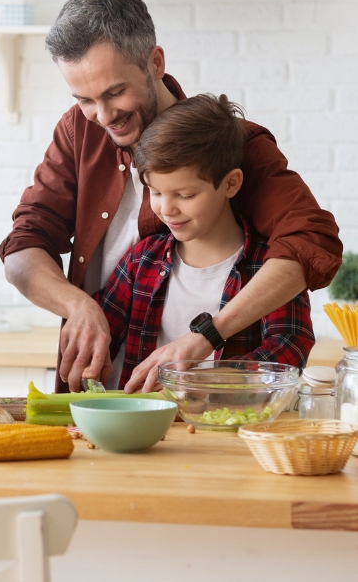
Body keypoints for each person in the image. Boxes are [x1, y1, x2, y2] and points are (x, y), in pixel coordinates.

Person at [0, 0, 341, 392]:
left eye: (114, 92)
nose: (103, 116)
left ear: (155, 62)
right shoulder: (79, 130)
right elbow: (22, 248)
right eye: (84, 99)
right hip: (108, 397)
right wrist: (78, 306)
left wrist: (205, 340)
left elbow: (311, 240)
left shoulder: (231, 144)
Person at [96, 94, 315, 391]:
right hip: (144, 431)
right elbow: (101, 336)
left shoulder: (269, 267)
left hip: (231, 430)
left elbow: (288, 350)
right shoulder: (140, 261)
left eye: (185, 195)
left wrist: (199, 381)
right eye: (156, 192)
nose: (167, 209)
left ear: (231, 183)